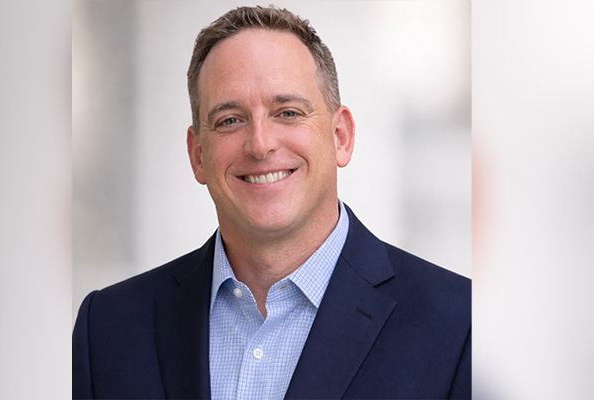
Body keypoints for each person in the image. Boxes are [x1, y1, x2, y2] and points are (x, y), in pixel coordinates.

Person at [73, 5, 471, 399]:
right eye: (230, 119)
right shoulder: (107, 329)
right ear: (198, 155)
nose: (260, 144)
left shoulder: (460, 327)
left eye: (287, 112)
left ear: (341, 137)